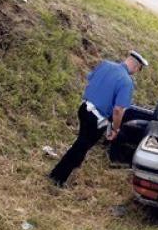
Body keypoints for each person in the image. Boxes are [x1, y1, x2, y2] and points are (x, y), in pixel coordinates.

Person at [48, 51, 148, 187]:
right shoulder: (126, 82)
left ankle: (71, 171)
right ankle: (57, 178)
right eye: (138, 70)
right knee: (80, 147)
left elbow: (90, 80)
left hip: (84, 108)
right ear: (136, 67)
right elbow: (119, 110)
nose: (136, 72)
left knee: (81, 145)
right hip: (96, 119)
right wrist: (115, 129)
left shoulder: (105, 64)